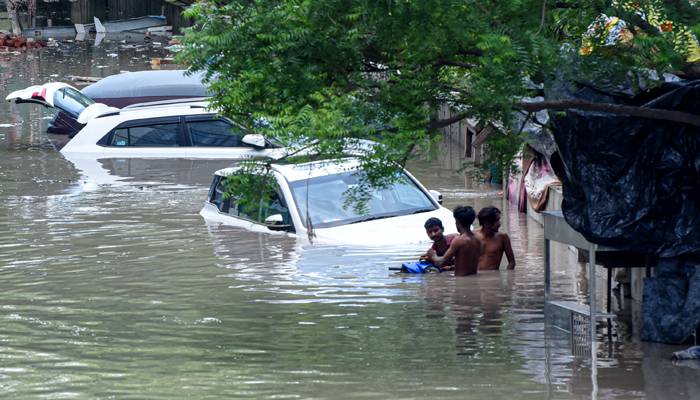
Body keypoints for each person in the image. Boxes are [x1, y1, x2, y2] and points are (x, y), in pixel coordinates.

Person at [429, 206, 482, 276]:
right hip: (475, 279)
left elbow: (440, 262)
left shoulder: (458, 240)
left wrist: (433, 255)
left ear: (457, 222)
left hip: (461, 282)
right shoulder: (479, 237)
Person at [475, 206, 515, 270]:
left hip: (494, 278)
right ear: (486, 223)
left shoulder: (503, 237)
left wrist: (509, 277)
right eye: (496, 220)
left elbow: (512, 262)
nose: (499, 223)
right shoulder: (473, 236)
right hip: (476, 278)